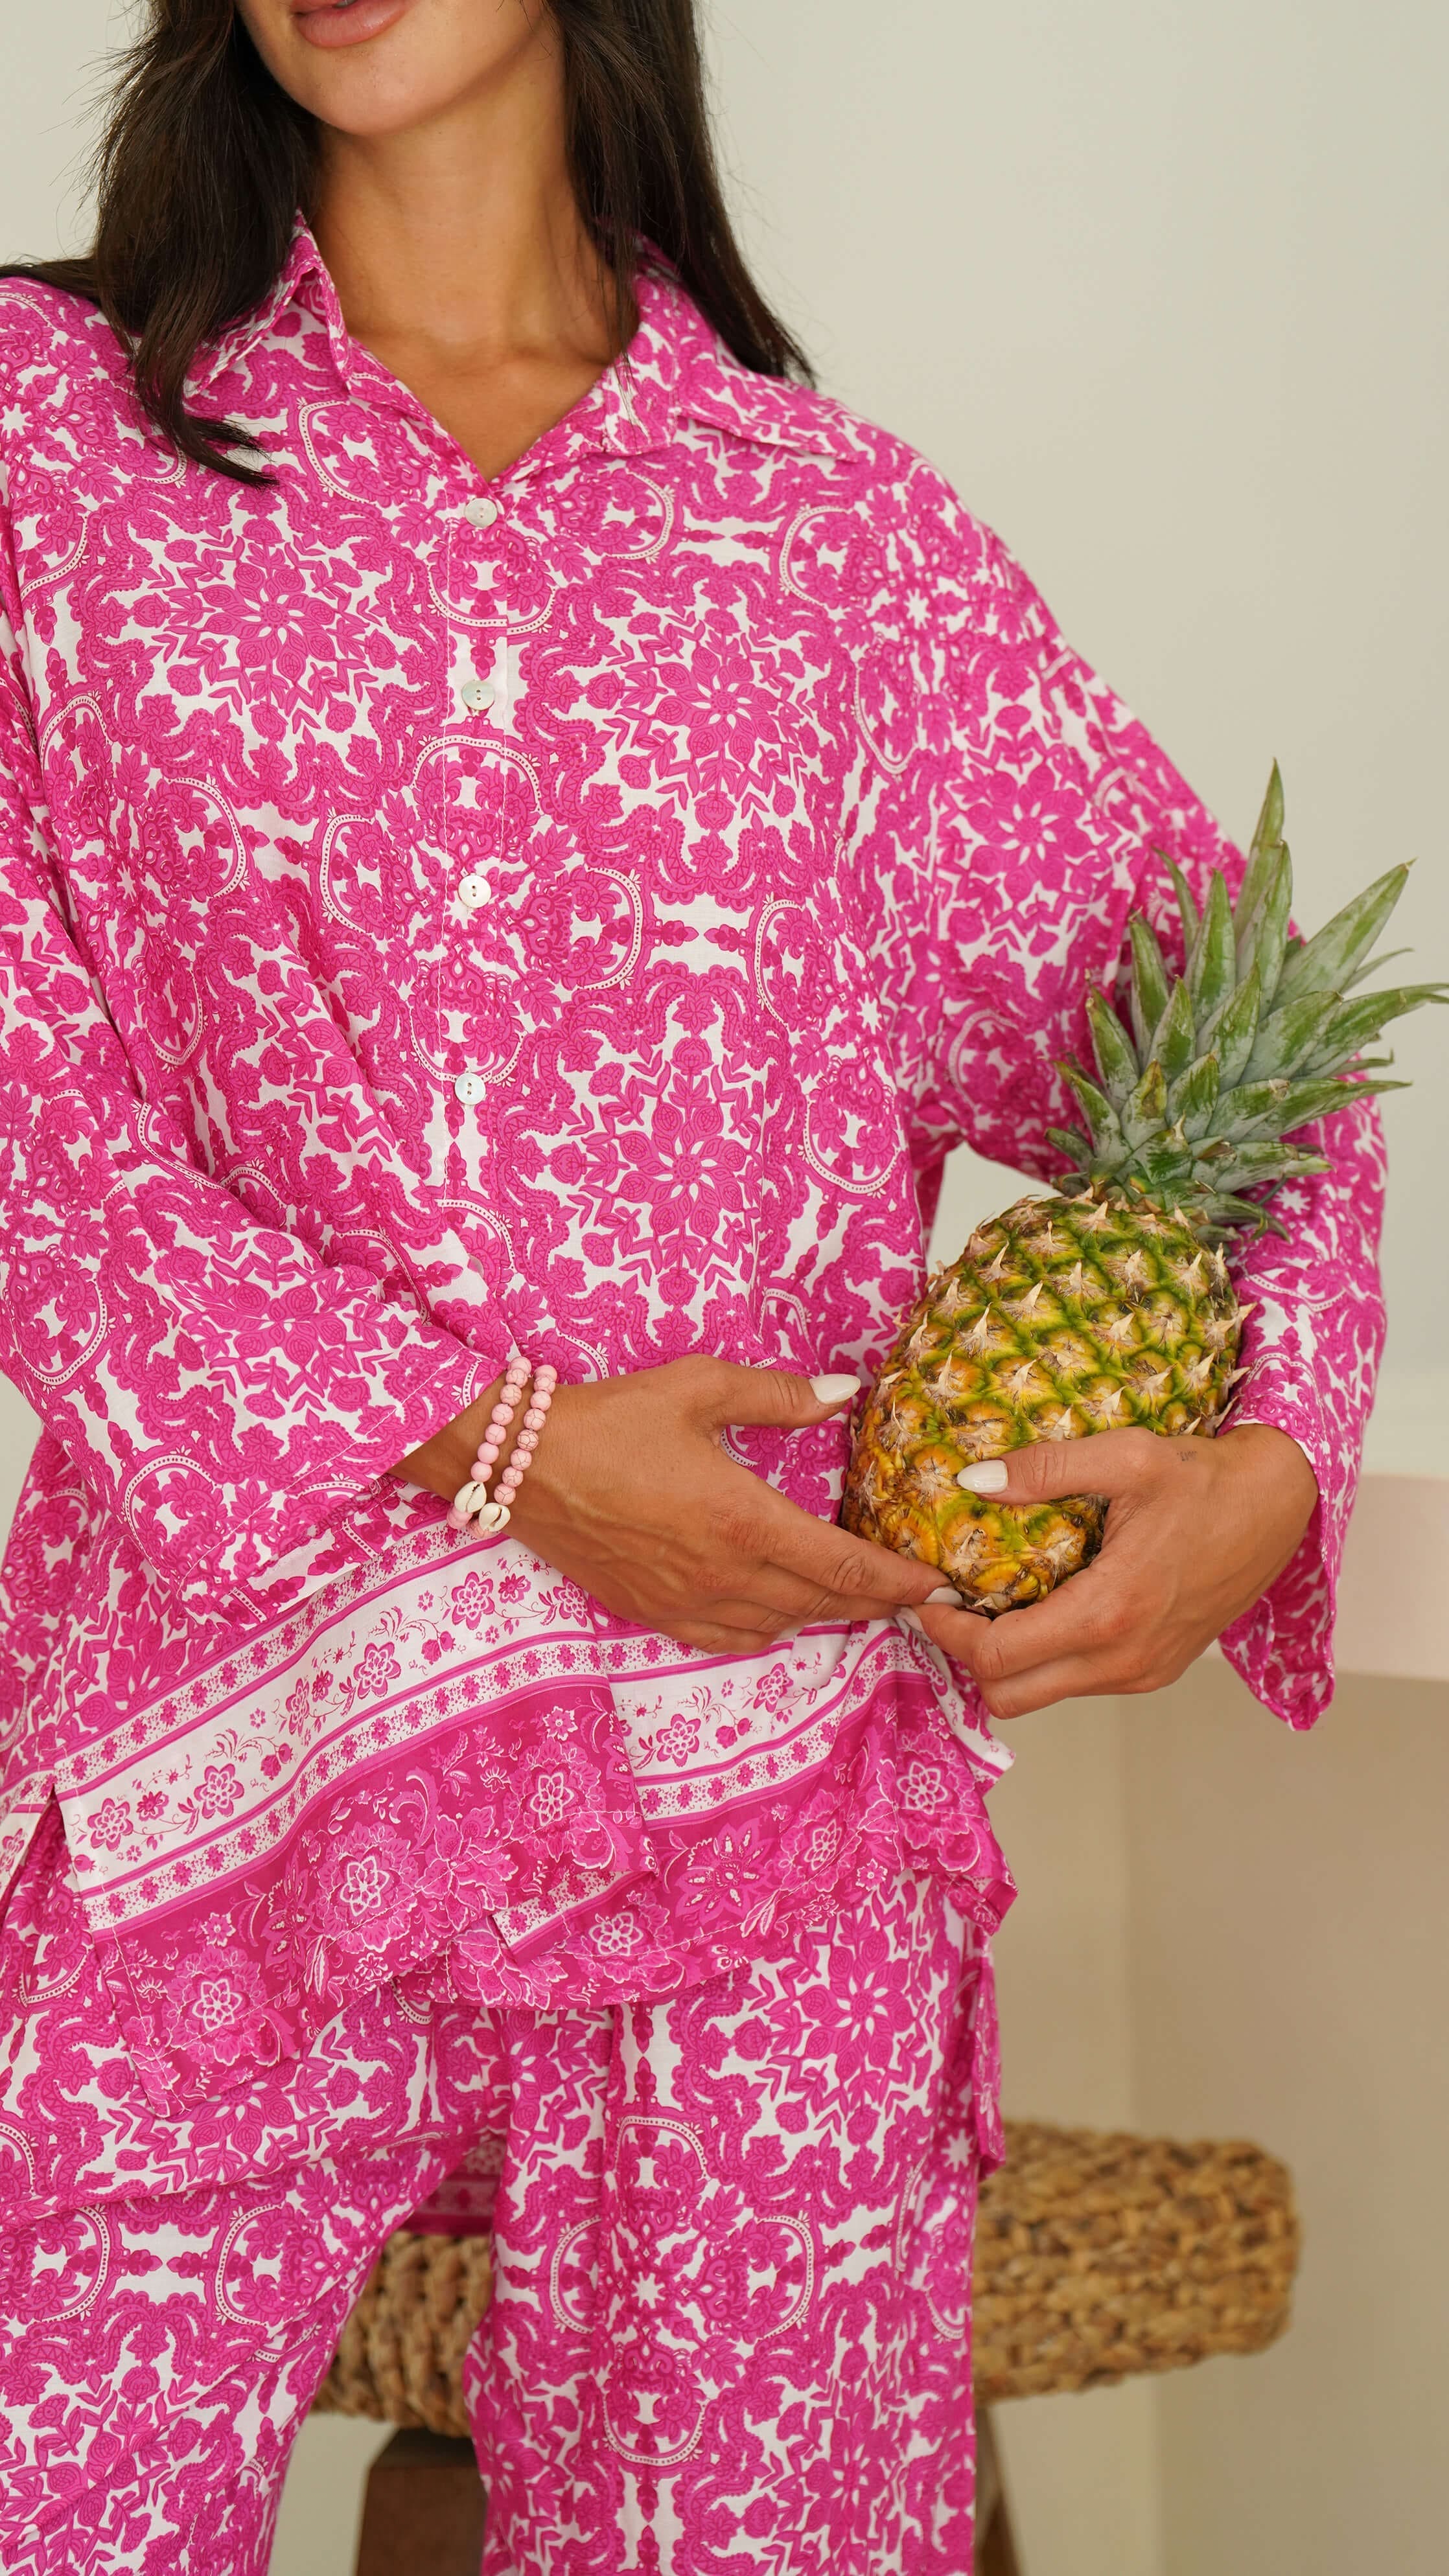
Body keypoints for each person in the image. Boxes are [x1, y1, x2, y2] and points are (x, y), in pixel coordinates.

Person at [0, 1, 1375, 2569]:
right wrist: (507, 1452)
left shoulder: (827, 532)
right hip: (226, 1755)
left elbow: (1225, 1035)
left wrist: (1268, 1453)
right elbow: (26, 1131)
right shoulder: (42, 433)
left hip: (761, 1787)